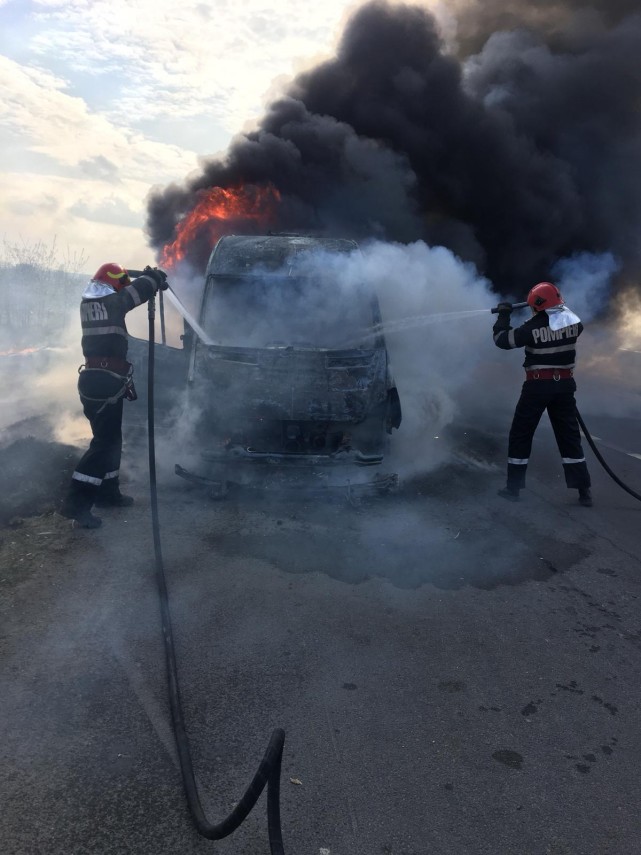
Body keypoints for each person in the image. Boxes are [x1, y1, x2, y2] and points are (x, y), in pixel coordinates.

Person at [60, 262, 168, 528]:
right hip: (103, 382)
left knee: (112, 440)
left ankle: (109, 493)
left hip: (99, 380)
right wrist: (152, 278)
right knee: (103, 444)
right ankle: (76, 506)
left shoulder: (90, 303)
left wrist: (145, 278)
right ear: (114, 282)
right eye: (121, 282)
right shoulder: (111, 302)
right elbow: (135, 294)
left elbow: (128, 292)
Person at [492, 281, 592, 507]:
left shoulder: (531, 328)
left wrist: (503, 317)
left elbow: (503, 341)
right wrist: (554, 305)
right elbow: (565, 316)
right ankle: (584, 491)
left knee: (521, 434)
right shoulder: (574, 324)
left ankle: (513, 488)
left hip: (537, 386)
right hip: (565, 386)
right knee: (569, 438)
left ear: (537, 306)